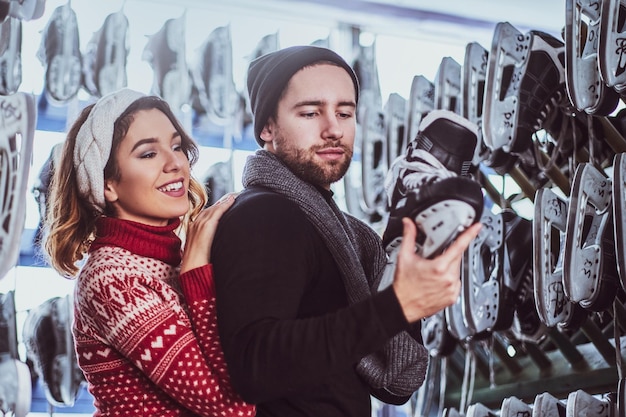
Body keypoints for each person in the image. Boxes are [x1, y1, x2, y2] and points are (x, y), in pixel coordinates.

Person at [210, 45, 482, 416]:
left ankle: (403, 227)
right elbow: (255, 367)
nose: (333, 129)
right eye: (310, 112)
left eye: (344, 112)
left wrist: (402, 285)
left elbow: (393, 386)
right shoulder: (265, 215)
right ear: (267, 128)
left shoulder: (349, 236)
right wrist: (396, 306)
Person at [43, 88, 255, 417]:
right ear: (107, 184)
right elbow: (230, 408)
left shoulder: (168, 259)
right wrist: (196, 272)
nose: (175, 163)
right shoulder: (111, 279)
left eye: (176, 146)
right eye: (148, 154)